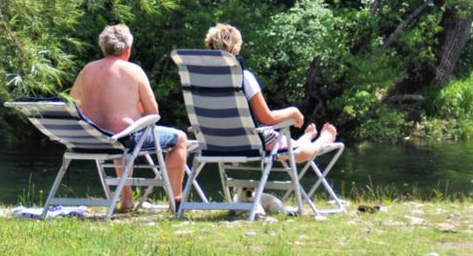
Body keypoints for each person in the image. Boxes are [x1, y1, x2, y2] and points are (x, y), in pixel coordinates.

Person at [70, 24, 188, 211]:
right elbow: (153, 113)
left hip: (92, 138)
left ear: (103, 47)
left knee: (119, 134)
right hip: (124, 139)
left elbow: (74, 104)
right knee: (180, 138)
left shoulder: (87, 70)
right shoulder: (133, 71)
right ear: (128, 49)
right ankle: (176, 201)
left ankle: (126, 199)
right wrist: (134, 111)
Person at [203, 23, 337, 164]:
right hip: (253, 143)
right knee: (299, 153)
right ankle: (322, 141)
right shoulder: (243, 78)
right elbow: (267, 118)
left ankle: (304, 139)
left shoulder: (201, 80)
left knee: (291, 146)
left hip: (216, 144)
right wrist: (293, 112)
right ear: (236, 48)